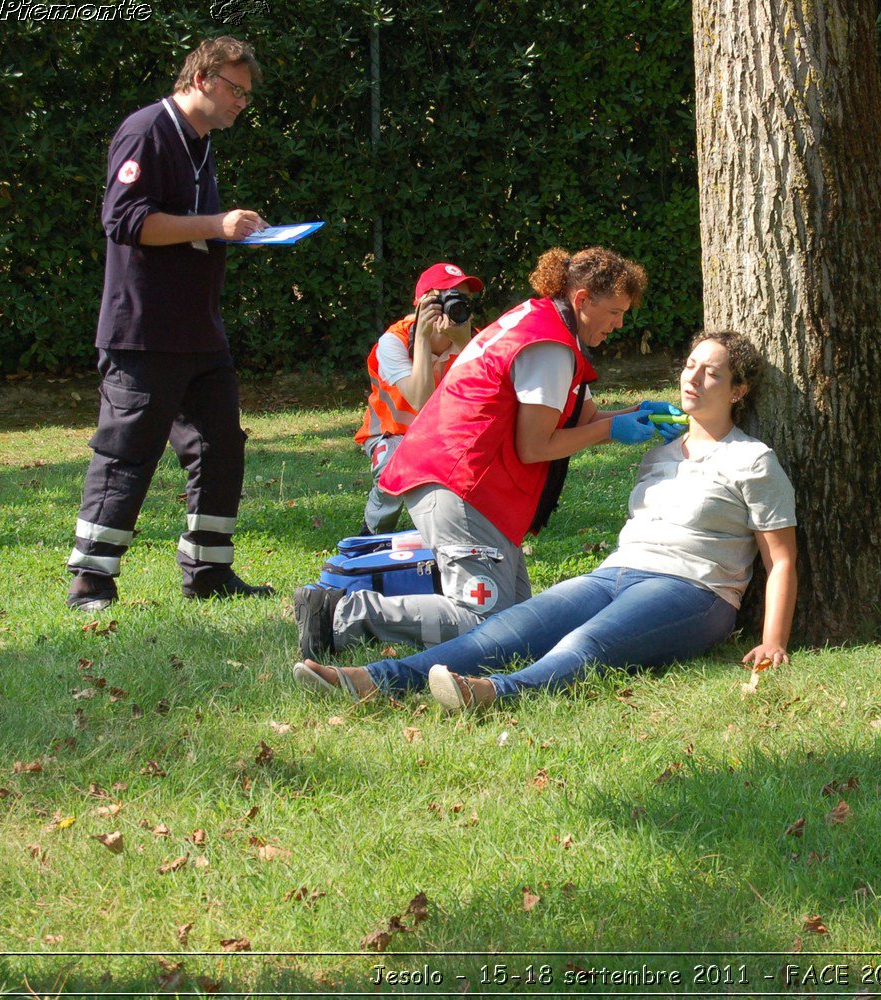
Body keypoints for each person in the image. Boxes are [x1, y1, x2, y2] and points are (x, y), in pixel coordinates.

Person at [292, 331, 798, 711]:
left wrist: (773, 639)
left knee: (587, 642)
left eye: (712, 372)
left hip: (694, 590)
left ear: (738, 390)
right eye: (690, 365)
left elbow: (780, 560)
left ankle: (494, 693)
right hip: (616, 572)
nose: (693, 377)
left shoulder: (753, 461)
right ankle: (373, 679)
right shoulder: (661, 453)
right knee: (510, 628)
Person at [292, 246, 679, 655]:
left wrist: (637, 414)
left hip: (457, 480)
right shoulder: (551, 346)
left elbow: (577, 418)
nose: (619, 324)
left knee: (521, 625)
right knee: (488, 623)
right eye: (615, 312)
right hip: (458, 485)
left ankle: (349, 612)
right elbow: (534, 446)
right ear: (582, 301)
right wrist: (611, 432)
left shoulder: (540, 321)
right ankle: (338, 614)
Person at [66, 35, 273, 611]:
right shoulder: (146, 131)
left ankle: (209, 572)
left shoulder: (200, 141)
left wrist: (223, 228)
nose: (241, 103)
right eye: (235, 90)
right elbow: (127, 221)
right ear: (202, 78)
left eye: (246, 96)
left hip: (199, 332)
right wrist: (214, 224)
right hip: (144, 331)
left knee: (220, 446)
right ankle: (91, 581)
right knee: (127, 450)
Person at [354, 262, 484, 534]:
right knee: (394, 464)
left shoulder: (475, 340)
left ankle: (464, 527)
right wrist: (423, 340)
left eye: (463, 299)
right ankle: (373, 531)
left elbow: (490, 390)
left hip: (445, 433)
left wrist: (463, 344)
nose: (455, 304)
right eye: (446, 297)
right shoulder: (394, 341)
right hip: (392, 433)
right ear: (422, 303)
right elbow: (420, 402)